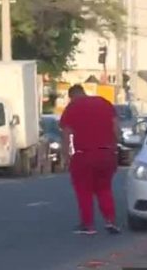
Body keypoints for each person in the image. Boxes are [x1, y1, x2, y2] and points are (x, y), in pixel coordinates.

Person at [59, 84, 121, 235]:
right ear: (84, 92)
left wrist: (66, 156)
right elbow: (116, 129)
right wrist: (114, 147)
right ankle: (110, 221)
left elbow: (66, 135)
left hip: (84, 155)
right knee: (104, 189)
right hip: (107, 154)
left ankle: (88, 224)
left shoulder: (72, 107)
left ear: (71, 96)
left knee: (84, 190)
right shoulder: (104, 103)